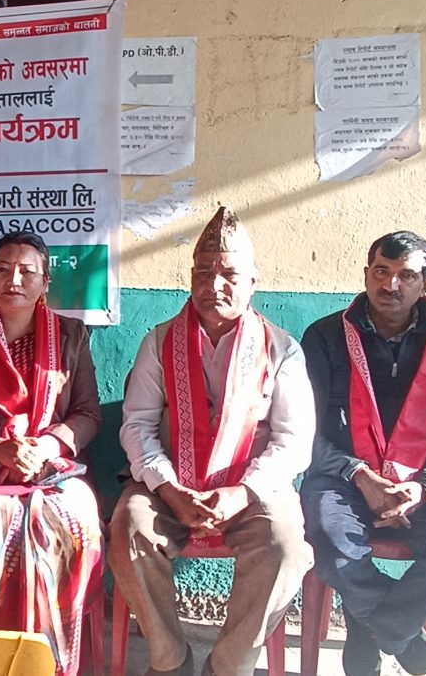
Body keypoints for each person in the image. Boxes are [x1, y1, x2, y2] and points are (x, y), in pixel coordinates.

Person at [111, 207, 315, 676]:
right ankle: (170, 659)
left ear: (252, 283)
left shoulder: (282, 349)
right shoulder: (159, 342)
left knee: (285, 545)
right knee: (129, 527)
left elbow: (293, 440)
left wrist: (244, 492)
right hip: (170, 485)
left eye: (229, 275)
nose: (214, 285)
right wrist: (168, 489)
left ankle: (227, 666)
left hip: (252, 488)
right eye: (203, 273)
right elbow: (137, 426)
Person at [300, 231, 426, 676]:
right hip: (341, 479)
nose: (391, 285)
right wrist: (357, 474)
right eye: (381, 272)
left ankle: (376, 626)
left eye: (406, 275)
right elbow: (302, 429)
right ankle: (397, 624)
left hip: (421, 485)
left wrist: (424, 487)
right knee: (330, 541)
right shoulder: (325, 337)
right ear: (366, 274)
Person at [0, 231, 102, 676]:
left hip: (52, 468)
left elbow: (88, 414)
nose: (14, 280)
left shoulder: (71, 336)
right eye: (4, 270)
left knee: (75, 527)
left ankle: (51, 659)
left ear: (45, 282)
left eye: (28, 271)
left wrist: (46, 444)